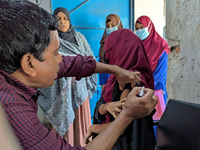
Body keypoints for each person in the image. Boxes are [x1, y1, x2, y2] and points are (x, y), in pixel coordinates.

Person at [0, 1, 157, 149]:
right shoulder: (12, 110)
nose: (61, 59)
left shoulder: (130, 81)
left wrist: (115, 70)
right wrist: (124, 115)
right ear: (28, 64)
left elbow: (75, 65)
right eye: (56, 54)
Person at [87, 29, 156, 150]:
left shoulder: (132, 82)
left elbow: (121, 125)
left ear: (121, 52)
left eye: (111, 51)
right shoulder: (116, 78)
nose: (108, 58)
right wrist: (107, 106)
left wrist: (93, 128)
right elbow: (101, 105)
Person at [38, 7, 97, 146]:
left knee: (81, 128)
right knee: (66, 133)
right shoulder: (50, 40)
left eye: (65, 18)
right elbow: (47, 64)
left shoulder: (79, 38)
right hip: (62, 94)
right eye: (58, 19)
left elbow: (91, 60)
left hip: (81, 92)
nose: (62, 22)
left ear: (69, 21)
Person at [135, 16, 171, 105]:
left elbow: (160, 76)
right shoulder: (136, 46)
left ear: (150, 27)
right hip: (139, 92)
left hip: (155, 91)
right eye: (137, 29)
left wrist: (143, 89)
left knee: (156, 118)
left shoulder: (161, 46)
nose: (139, 31)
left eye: (142, 28)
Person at [99, 14, 123, 89]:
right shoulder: (104, 45)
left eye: (113, 25)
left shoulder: (125, 43)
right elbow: (101, 67)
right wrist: (103, 85)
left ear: (118, 26)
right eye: (107, 26)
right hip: (107, 86)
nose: (110, 28)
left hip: (121, 85)